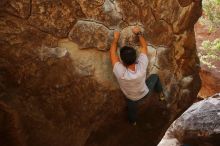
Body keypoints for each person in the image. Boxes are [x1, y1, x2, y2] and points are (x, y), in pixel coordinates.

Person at [110, 26, 164, 125]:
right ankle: (161, 94)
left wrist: (116, 38)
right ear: (136, 57)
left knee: (131, 109)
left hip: (131, 98)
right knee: (155, 77)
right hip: (145, 93)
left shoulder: (121, 72)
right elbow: (144, 47)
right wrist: (138, 33)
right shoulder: (142, 66)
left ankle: (133, 121)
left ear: (122, 61)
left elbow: (112, 53)